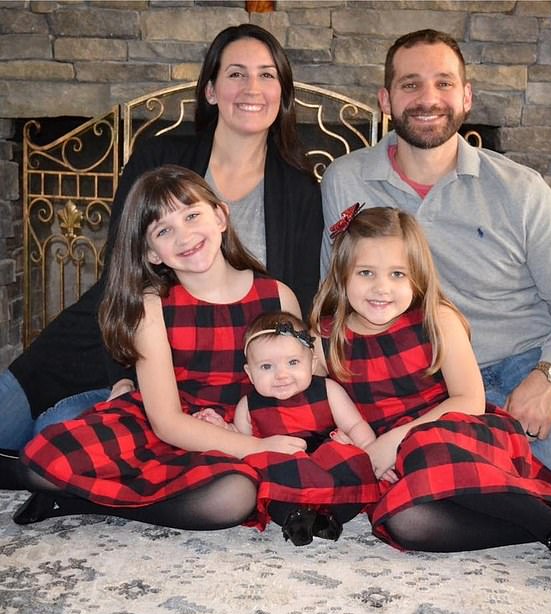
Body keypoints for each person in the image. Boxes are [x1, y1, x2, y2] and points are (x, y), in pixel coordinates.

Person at [319, 29, 551, 508]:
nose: (428, 99)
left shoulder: (519, 189)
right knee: (422, 496)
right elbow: (335, 291)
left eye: (444, 84)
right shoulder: (346, 180)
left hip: (529, 356)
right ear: (386, 99)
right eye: (410, 85)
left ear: (466, 97)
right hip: (419, 379)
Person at [0, 23, 322, 449]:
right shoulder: (161, 157)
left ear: (282, 92)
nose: (252, 87)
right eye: (236, 73)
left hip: (204, 377)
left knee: (54, 442)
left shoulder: (299, 189)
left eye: (267, 74)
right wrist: (124, 377)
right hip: (105, 344)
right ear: (210, 90)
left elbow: (293, 307)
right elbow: (122, 269)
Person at [311, 205, 551, 577]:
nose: (382, 288)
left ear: (417, 276)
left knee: (426, 446)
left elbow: (470, 399)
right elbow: (316, 406)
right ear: (342, 274)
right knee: (403, 522)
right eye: (366, 273)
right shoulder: (325, 337)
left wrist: (393, 443)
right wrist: (351, 444)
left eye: (397, 274)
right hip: (393, 463)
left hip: (457, 436)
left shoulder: (436, 319)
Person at [1, 165, 309, 530]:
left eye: (192, 215)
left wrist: (249, 440)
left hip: (236, 431)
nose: (185, 236)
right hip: (160, 424)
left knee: (233, 499)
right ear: (152, 254)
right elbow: (165, 420)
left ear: (221, 216)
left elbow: (298, 387)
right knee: (41, 461)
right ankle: (74, 490)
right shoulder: (152, 306)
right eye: (164, 231)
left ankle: (80, 498)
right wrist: (254, 451)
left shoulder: (276, 295)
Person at [197, 310, 380, 546]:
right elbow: (241, 442)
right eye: (266, 367)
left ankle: (331, 517)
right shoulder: (249, 404)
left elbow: (355, 424)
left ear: (312, 363)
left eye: (293, 363)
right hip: (283, 467)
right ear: (249, 374)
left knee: (352, 465)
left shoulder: (328, 390)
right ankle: (294, 518)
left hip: (325, 459)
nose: (281, 375)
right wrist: (222, 426)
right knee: (264, 485)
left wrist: (366, 450)